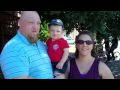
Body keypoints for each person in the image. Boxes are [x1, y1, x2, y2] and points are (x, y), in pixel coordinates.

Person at [0, 11, 53, 79]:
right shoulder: (13, 48)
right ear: (19, 23)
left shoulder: (41, 44)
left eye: (38, 23)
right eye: (30, 22)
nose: (36, 28)